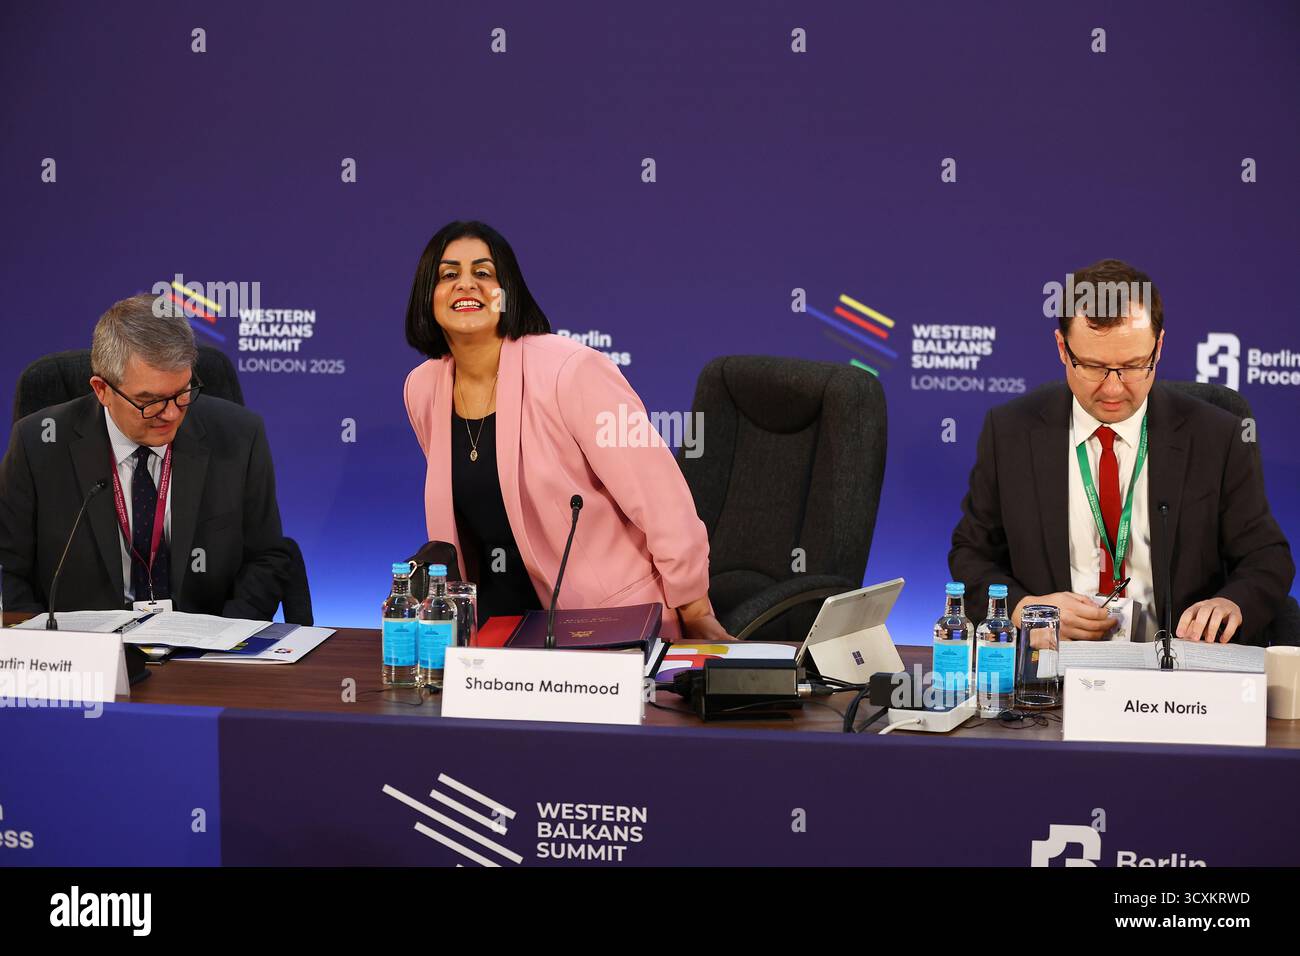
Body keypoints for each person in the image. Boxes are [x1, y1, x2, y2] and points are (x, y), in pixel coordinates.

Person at [402, 220, 728, 641]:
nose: (467, 285)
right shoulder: (422, 387)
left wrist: (696, 608)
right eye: (449, 275)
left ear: (508, 292)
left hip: (609, 621)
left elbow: (661, 498)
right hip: (495, 627)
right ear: (429, 296)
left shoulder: (572, 372)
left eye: (483, 273)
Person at [950, 259, 1293, 646]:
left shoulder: (1216, 436)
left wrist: (1232, 603)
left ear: (1159, 348)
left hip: (1178, 674)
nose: (1113, 390)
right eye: (1093, 367)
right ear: (1063, 349)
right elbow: (970, 556)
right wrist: (1026, 611)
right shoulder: (1010, 432)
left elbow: (1267, 556)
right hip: (1056, 675)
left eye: (1133, 366)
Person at [0, 294, 292, 618]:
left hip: (203, 648)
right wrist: (44, 651)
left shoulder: (240, 435)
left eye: (182, 393)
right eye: (149, 400)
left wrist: (227, 644)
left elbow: (266, 558)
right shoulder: (37, 444)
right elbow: (11, 571)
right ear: (102, 390)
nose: (170, 414)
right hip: (87, 649)